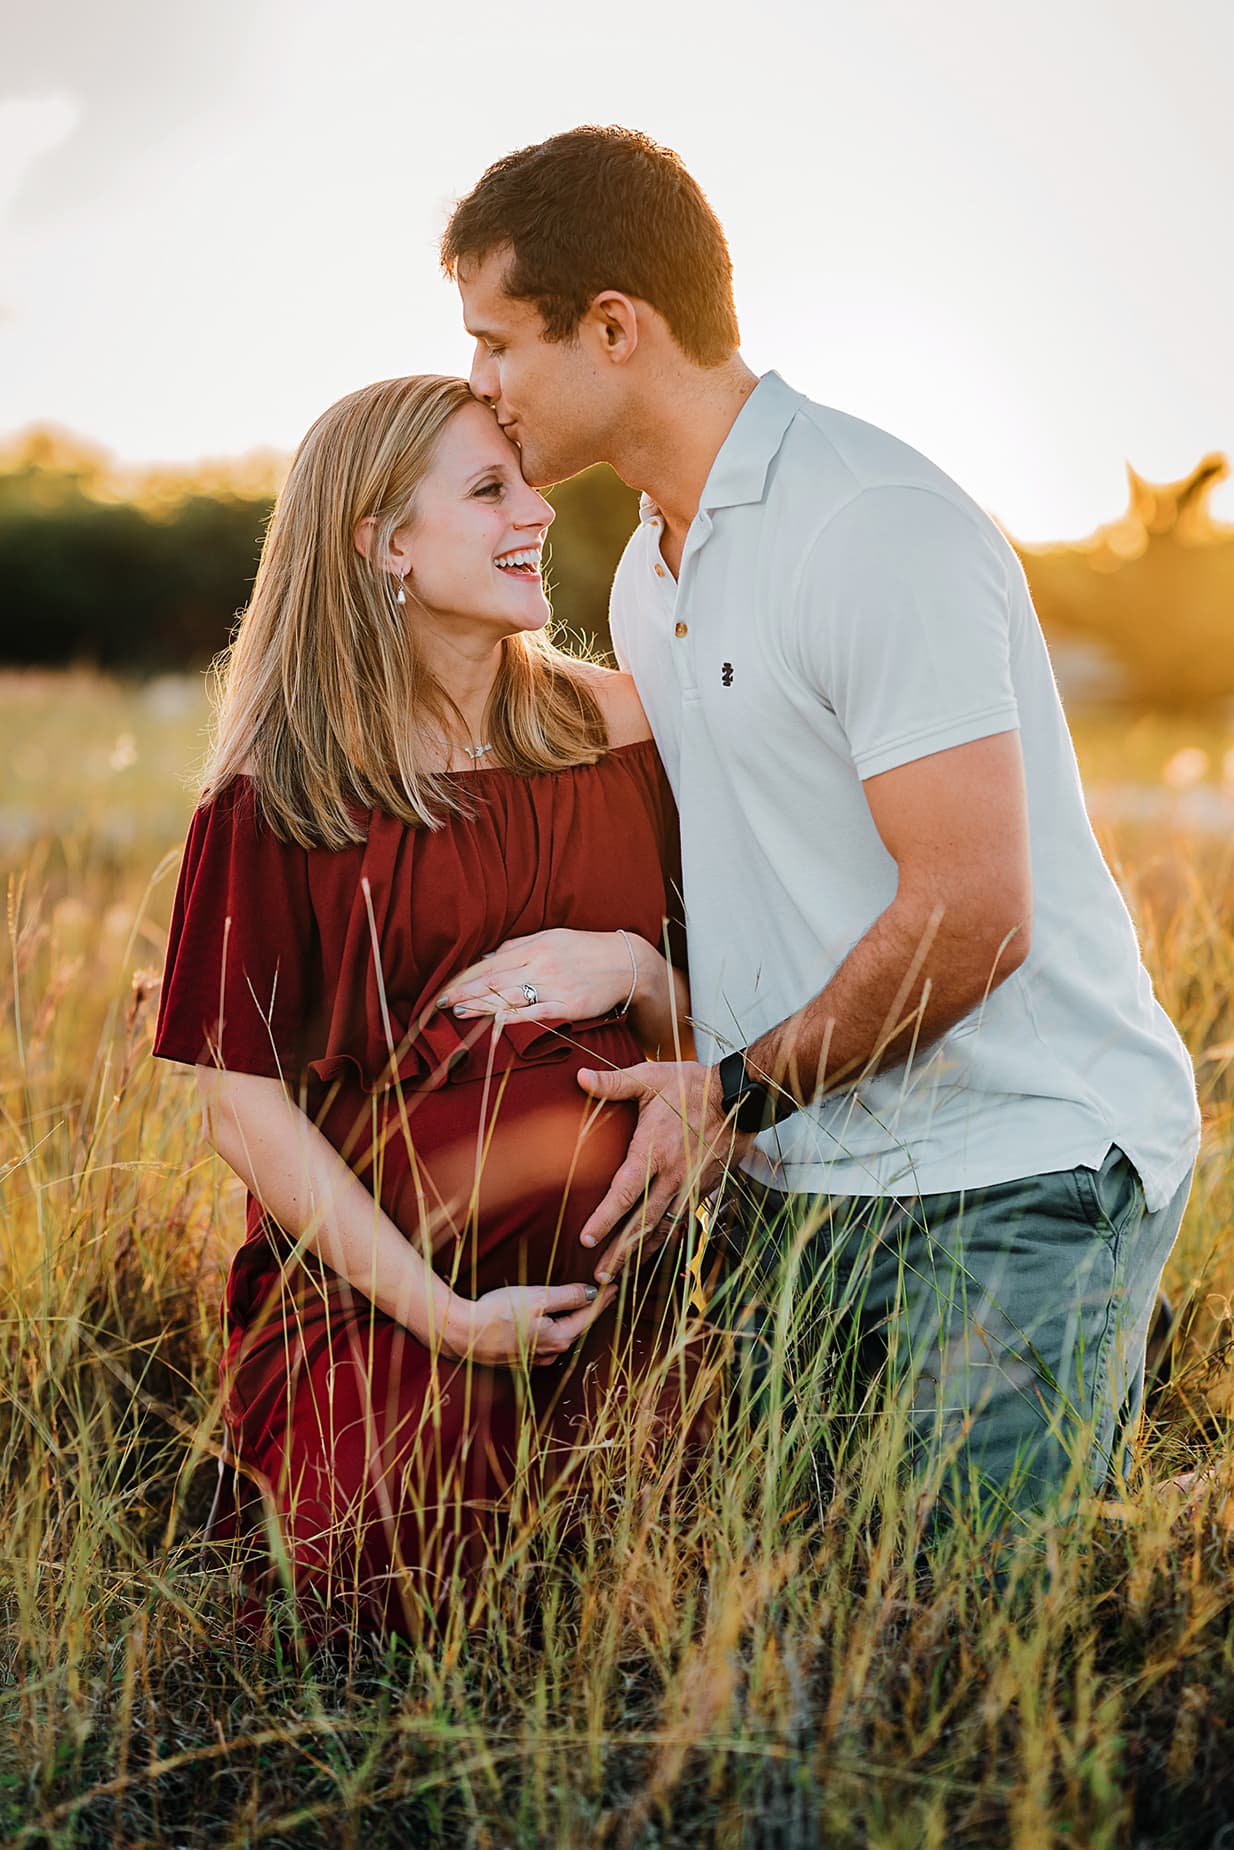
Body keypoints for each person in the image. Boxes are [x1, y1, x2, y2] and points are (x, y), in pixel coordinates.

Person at [440, 125, 1202, 1523]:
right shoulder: (647, 579)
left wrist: (725, 1095)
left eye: (496, 343)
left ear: (612, 325)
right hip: (807, 1173)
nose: (477, 386)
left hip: (1011, 1166)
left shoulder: (870, 524)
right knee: (812, 1628)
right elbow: (745, 852)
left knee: (962, 1648)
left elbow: (971, 912)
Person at [151, 373, 706, 1646]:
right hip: (396, 1297)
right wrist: (439, 1311)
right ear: (384, 543)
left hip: (642, 1282)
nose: (534, 511)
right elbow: (241, 1106)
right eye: (487, 488)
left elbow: (732, 1023)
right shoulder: (275, 801)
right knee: (387, 1594)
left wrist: (630, 967)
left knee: (664, 1589)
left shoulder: (627, 730)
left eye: (524, 478)